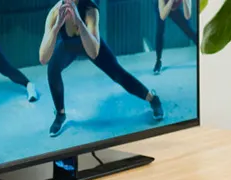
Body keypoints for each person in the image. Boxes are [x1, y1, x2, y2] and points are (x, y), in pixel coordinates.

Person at [39, 0, 165, 137]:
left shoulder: (90, 10)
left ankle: (153, 99)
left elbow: (94, 52)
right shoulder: (54, 13)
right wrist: (56, 27)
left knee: (118, 74)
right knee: (52, 70)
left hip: (89, 42)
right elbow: (43, 58)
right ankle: (60, 114)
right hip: (68, 46)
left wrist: (80, 23)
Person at [153, 0, 198, 75]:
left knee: (188, 29)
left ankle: (204, 51)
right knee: (160, 30)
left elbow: (184, 13)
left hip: (173, 7)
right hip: (161, 5)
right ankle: (158, 61)